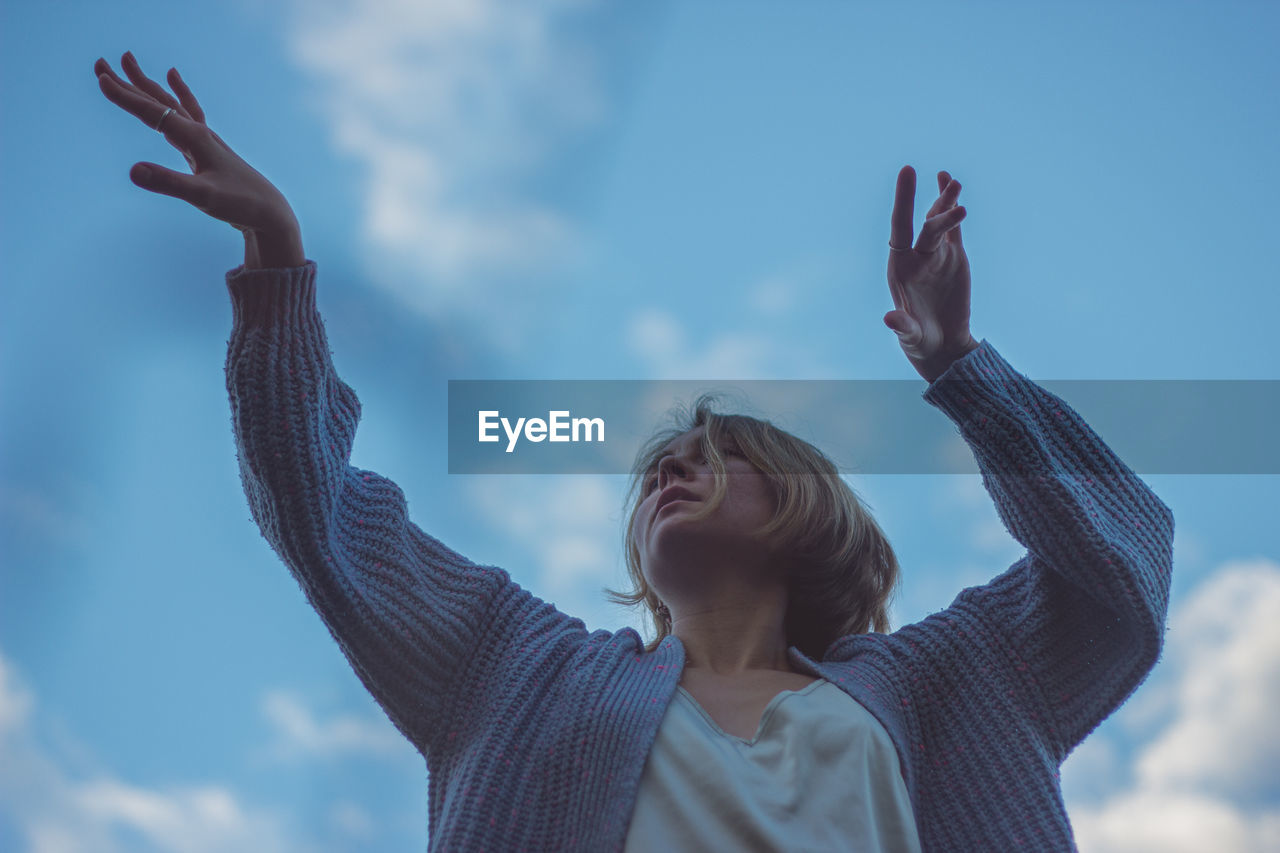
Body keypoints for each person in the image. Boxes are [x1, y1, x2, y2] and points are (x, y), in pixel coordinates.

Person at [96, 51, 1175, 852]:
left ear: (809, 504)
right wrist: (278, 263)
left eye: (715, 455)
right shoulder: (512, 668)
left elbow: (1123, 554)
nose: (668, 468)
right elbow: (316, 512)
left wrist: (960, 367)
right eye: (660, 463)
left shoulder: (954, 679)